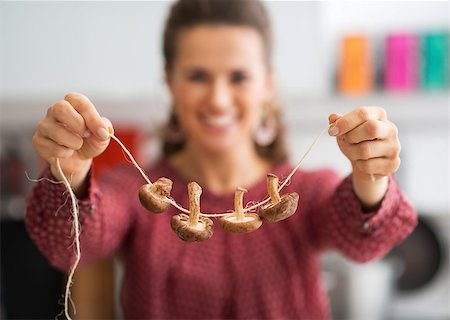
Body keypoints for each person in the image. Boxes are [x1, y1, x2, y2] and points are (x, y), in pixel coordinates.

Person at [26, 0, 417, 318]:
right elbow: (69, 247)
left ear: (268, 83)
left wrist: (371, 177)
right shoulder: (134, 189)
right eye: (197, 76)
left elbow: (364, 240)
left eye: (238, 77)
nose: (218, 98)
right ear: (170, 81)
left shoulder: (305, 190)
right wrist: (71, 173)